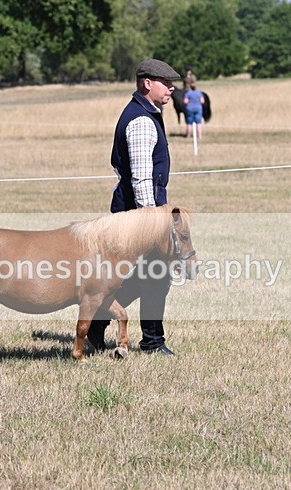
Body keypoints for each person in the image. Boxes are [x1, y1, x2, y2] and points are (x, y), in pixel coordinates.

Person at [87, 58, 181, 357]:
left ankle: (97, 323)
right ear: (147, 83)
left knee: (140, 277)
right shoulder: (141, 120)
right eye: (166, 83)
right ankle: (151, 341)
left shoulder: (144, 113)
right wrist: (151, 223)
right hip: (139, 216)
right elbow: (140, 178)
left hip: (133, 213)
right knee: (155, 275)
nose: (172, 88)